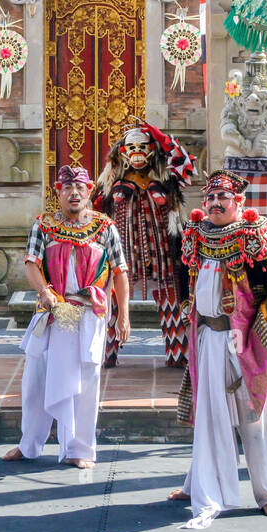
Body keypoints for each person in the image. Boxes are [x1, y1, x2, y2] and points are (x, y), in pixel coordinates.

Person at [169, 169, 267, 526]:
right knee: (208, 414)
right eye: (209, 198)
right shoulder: (195, 236)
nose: (215, 204)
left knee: (255, 415)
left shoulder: (253, 237)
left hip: (245, 342)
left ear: (238, 202)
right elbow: (182, 272)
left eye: (223, 198)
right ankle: (199, 483)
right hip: (206, 337)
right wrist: (183, 305)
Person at [4, 164, 130, 469]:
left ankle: (79, 448)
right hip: (53, 312)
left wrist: (123, 315)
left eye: (80, 188)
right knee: (36, 378)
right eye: (67, 188)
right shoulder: (44, 225)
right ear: (58, 193)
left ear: (89, 192)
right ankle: (29, 443)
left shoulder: (105, 227)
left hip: (89, 313)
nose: (74, 193)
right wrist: (44, 290)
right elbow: (31, 263)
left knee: (86, 381)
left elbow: (120, 271)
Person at [94, 123, 193, 367]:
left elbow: (186, 165)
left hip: (160, 250)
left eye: (143, 146)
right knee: (112, 298)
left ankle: (177, 353)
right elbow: (95, 207)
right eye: (132, 147)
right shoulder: (111, 178)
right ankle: (105, 352)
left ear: (152, 150)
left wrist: (159, 135)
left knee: (170, 297)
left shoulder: (165, 177)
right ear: (123, 152)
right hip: (122, 250)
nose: (137, 152)